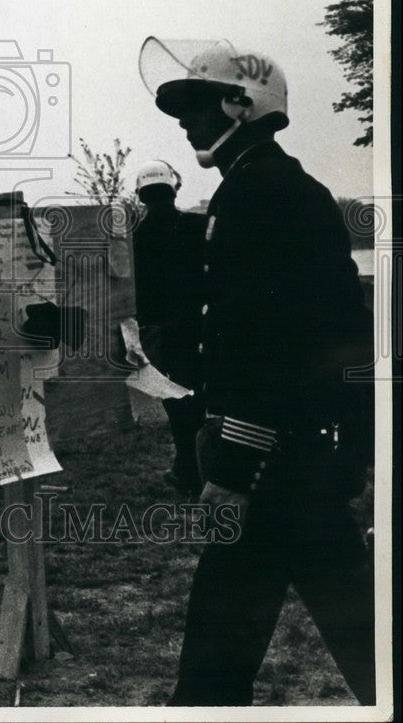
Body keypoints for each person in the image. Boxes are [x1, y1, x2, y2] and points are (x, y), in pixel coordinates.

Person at [139, 37, 375, 707]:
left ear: (241, 106)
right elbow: (340, 336)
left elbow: (264, 344)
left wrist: (234, 470)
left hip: (273, 470)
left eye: (196, 106)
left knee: (219, 656)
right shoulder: (282, 187)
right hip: (305, 462)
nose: (185, 123)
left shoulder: (255, 195)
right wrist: (348, 453)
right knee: (361, 638)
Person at [133, 159, 205, 496]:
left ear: (141, 196)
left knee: (177, 403)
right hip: (200, 327)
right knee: (200, 400)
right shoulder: (197, 227)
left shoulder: (134, 239)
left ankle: (188, 468)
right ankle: (196, 468)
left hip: (160, 334)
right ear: (174, 188)